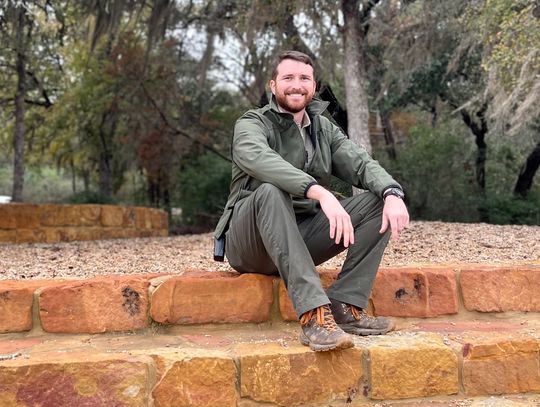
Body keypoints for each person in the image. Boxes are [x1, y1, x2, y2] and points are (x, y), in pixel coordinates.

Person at [214, 50, 409, 352]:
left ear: (314, 86)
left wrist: (392, 193)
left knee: (377, 202)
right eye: (288, 77)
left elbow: (359, 163)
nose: (296, 84)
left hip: (300, 236)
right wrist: (318, 191)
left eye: (304, 78)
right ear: (273, 85)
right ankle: (314, 317)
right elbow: (261, 160)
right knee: (269, 190)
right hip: (251, 243)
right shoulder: (251, 124)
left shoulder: (323, 128)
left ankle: (345, 305)